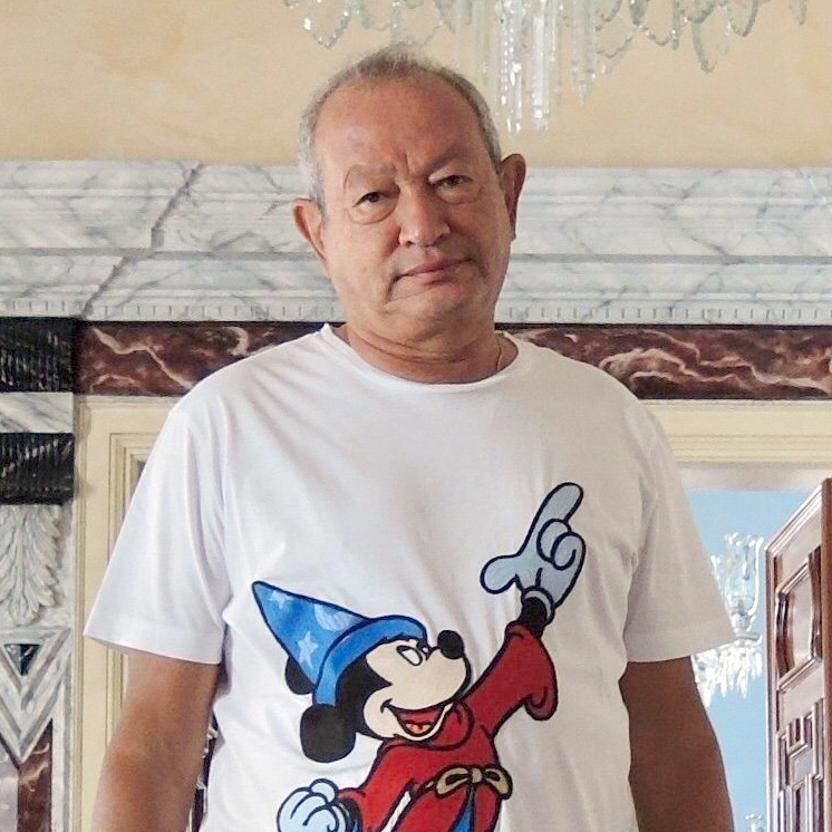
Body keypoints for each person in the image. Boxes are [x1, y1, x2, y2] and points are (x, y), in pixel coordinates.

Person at [86, 45, 736, 832]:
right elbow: (155, 744)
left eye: (452, 181)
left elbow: (671, 736)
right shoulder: (225, 426)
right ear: (318, 234)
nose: (423, 226)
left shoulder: (610, 424)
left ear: (510, 193)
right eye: (374, 197)